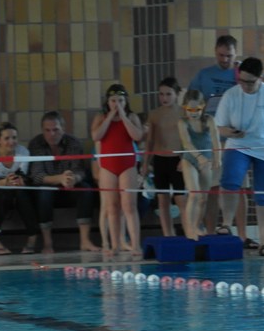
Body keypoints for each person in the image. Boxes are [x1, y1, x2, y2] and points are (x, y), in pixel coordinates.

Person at [213, 57, 264, 257]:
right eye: (242, 81)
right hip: (238, 145)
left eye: (250, 82)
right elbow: (220, 127)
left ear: (260, 78)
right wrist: (230, 133)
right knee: (230, 180)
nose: (245, 86)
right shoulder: (231, 95)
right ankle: (226, 223)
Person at [188, 35, 257, 250]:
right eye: (221, 55)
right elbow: (190, 102)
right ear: (215, 52)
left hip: (236, 141)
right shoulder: (204, 75)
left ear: (236, 54)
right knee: (213, 188)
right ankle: (211, 234)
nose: (225, 60)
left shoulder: (241, 74)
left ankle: (242, 235)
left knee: (239, 188)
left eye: (229, 56)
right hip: (212, 140)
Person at [29, 111, 101, 254]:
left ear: (63, 129)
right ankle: (48, 243)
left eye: (55, 130)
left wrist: (73, 179)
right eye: (47, 130)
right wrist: (60, 178)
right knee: (43, 193)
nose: (52, 134)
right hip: (48, 187)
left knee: (85, 190)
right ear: (42, 130)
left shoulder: (73, 143)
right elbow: (37, 175)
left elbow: (79, 170)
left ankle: (85, 240)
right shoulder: (36, 144)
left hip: (70, 187)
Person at [91, 84, 145, 257]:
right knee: (112, 207)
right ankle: (115, 245)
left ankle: (135, 245)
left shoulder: (132, 116)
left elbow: (137, 136)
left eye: (120, 101)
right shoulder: (100, 117)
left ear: (126, 101)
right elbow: (96, 136)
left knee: (129, 205)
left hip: (127, 165)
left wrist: (122, 116)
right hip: (108, 167)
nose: (117, 104)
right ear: (107, 102)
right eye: (113, 101)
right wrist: (109, 117)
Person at [140, 77, 187, 237]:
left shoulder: (184, 113)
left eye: (168, 94)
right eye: (161, 94)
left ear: (177, 94)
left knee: (181, 200)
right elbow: (150, 141)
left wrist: (185, 158)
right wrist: (145, 164)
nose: (164, 98)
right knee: (163, 201)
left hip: (178, 160)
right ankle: (168, 235)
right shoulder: (154, 114)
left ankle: (190, 234)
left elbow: (189, 140)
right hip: (160, 160)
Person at [0, 122, 39, 255]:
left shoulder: (23, 152)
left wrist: (17, 181)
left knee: (22, 194)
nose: (11, 142)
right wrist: (5, 182)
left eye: (14, 138)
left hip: (17, 187)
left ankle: (32, 237)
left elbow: (23, 175)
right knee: (2, 196)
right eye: (7, 138)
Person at [177, 89, 221, 241]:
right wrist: (199, 156)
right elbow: (186, 143)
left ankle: (196, 225)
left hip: (206, 161)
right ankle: (189, 229)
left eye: (197, 109)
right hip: (189, 159)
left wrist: (218, 158)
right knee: (194, 194)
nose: (194, 113)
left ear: (203, 107)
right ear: (185, 108)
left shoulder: (209, 120)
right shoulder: (182, 122)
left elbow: (215, 140)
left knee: (203, 198)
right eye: (190, 109)